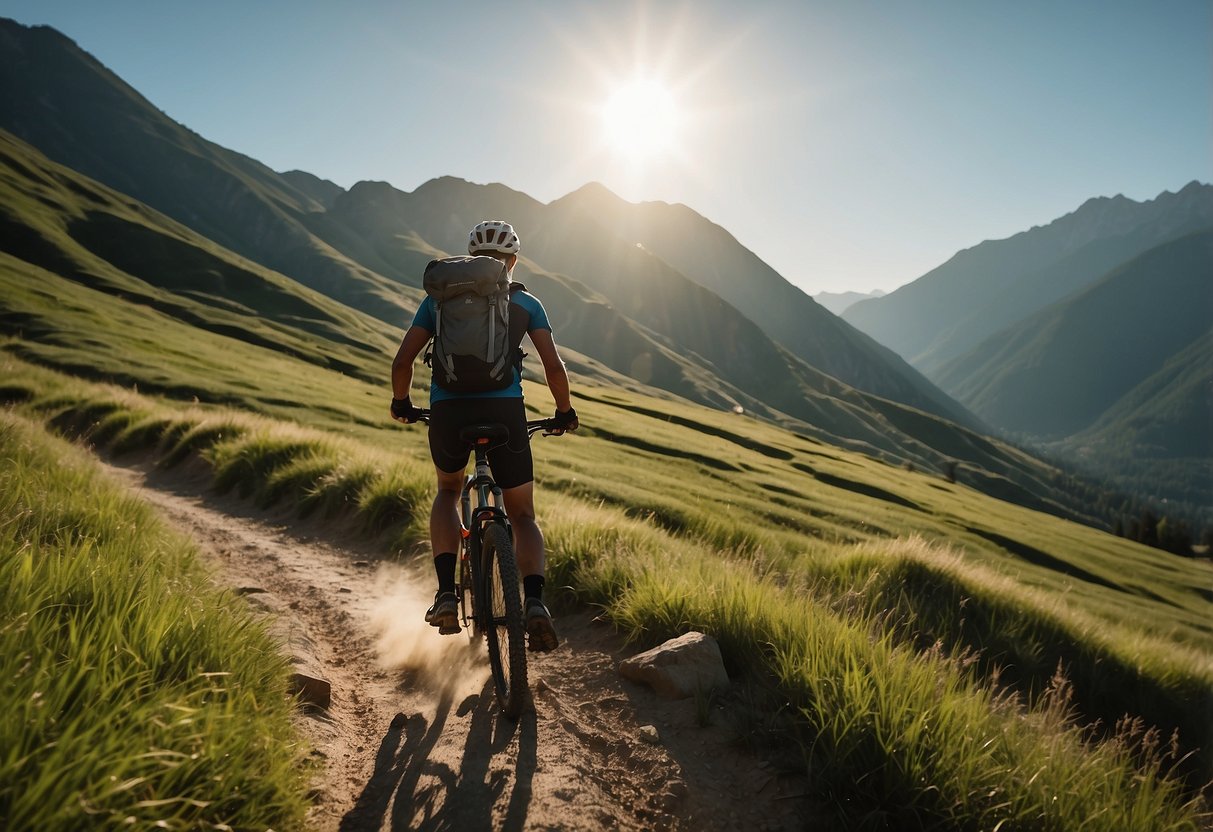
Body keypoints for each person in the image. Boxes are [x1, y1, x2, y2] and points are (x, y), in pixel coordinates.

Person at [389, 220, 579, 652]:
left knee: (448, 491)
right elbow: (553, 368)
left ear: (469, 259)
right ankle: (533, 603)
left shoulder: (437, 302)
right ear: (512, 261)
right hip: (505, 411)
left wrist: (401, 403)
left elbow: (403, 363)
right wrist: (564, 412)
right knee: (523, 515)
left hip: (449, 412)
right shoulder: (527, 302)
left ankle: (445, 594)